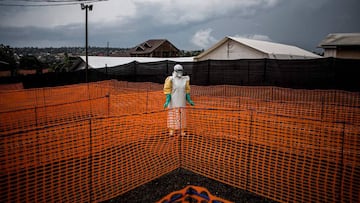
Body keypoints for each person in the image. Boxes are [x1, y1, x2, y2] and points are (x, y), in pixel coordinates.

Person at [163, 64, 194, 135]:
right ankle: (172, 129)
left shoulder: (185, 79)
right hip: (173, 101)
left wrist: (189, 100)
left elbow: (187, 90)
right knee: (172, 114)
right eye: (178, 70)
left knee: (182, 114)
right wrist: (167, 100)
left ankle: (182, 129)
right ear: (175, 71)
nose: (180, 72)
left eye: (181, 70)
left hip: (182, 100)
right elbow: (167, 90)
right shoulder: (171, 79)